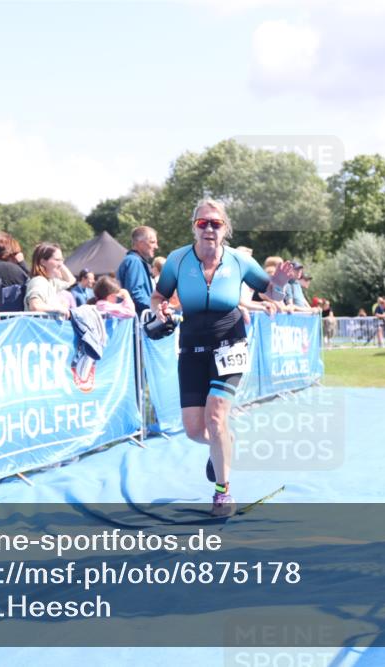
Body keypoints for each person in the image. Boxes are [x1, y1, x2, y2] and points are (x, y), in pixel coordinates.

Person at [151, 198, 291, 516]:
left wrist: (280, 285)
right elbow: (159, 294)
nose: (209, 229)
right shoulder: (177, 260)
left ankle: (222, 492)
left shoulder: (239, 261)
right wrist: (157, 306)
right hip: (191, 348)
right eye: (203, 223)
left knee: (215, 417)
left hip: (230, 344)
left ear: (225, 228)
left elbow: (271, 294)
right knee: (195, 430)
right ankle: (223, 445)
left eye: (216, 223)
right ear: (194, 227)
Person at [24, 243, 75, 318]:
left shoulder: (50, 281)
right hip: (39, 328)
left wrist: (59, 263)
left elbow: (71, 280)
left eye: (62, 260)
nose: (61, 263)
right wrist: (58, 309)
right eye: (57, 260)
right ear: (43, 262)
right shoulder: (38, 282)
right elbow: (35, 306)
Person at [117, 226, 158, 316]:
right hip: (137, 322)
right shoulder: (134, 261)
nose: (156, 246)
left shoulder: (134, 261)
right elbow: (135, 295)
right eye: (152, 242)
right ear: (140, 243)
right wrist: (156, 308)